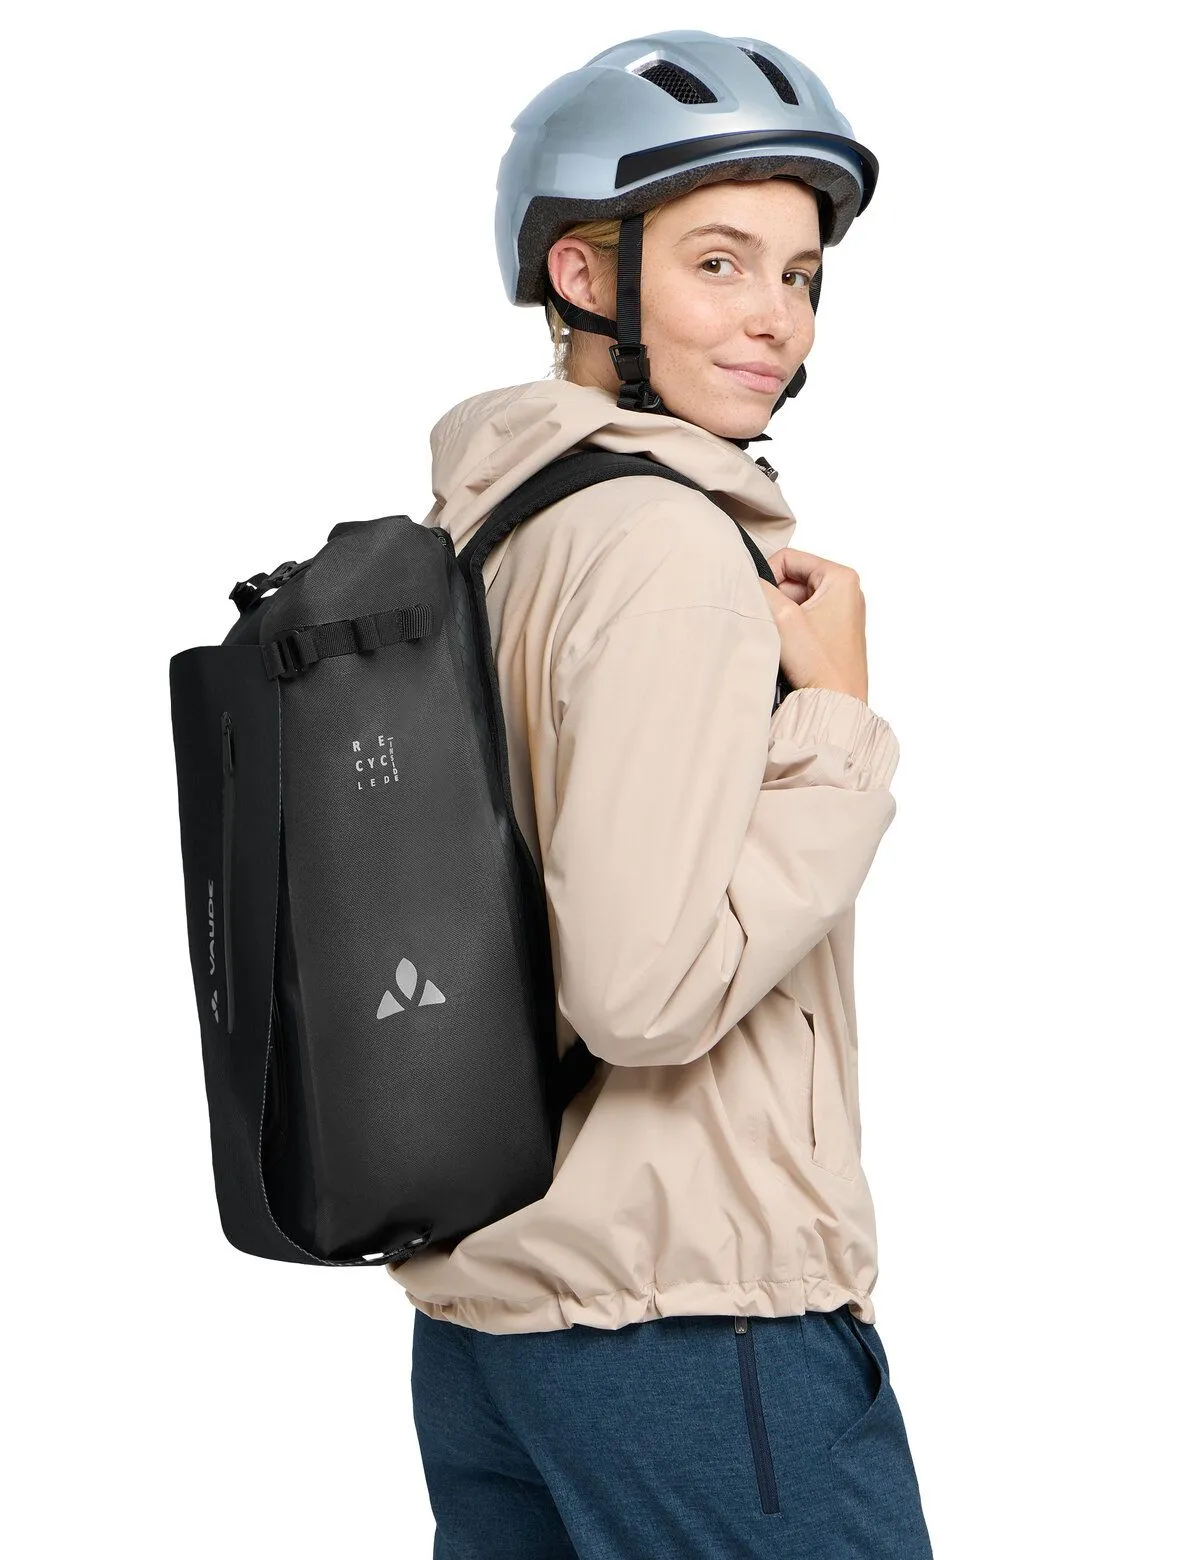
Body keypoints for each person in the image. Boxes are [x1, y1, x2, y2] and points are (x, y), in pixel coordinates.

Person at [399, 30, 936, 1558]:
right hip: (695, 1325)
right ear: (583, 277)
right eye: (718, 262)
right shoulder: (663, 545)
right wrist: (837, 728)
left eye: (801, 274)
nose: (777, 317)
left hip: (497, 1327)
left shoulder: (495, 530)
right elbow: (639, 993)